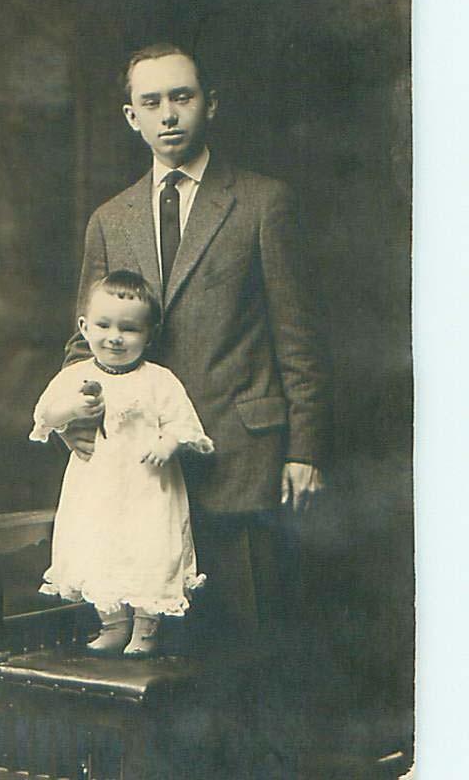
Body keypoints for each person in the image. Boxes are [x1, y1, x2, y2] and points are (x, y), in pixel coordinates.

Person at [61, 42, 331, 649]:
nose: (168, 115)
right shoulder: (110, 220)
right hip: (140, 477)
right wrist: (76, 420)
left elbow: (299, 341)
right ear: (131, 116)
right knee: (159, 654)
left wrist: (305, 450)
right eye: (150, 102)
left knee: (247, 646)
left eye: (181, 97)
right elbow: (83, 347)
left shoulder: (263, 203)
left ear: (210, 103)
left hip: (242, 461)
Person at [29, 270, 212, 656]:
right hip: (97, 486)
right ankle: (112, 622)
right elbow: (45, 416)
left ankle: (146, 628)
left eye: (129, 329)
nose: (114, 337)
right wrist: (72, 409)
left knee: (150, 547)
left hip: (148, 485)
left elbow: (183, 423)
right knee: (100, 545)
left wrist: (168, 443)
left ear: (148, 334)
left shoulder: (157, 380)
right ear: (84, 327)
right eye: (104, 325)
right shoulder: (76, 376)